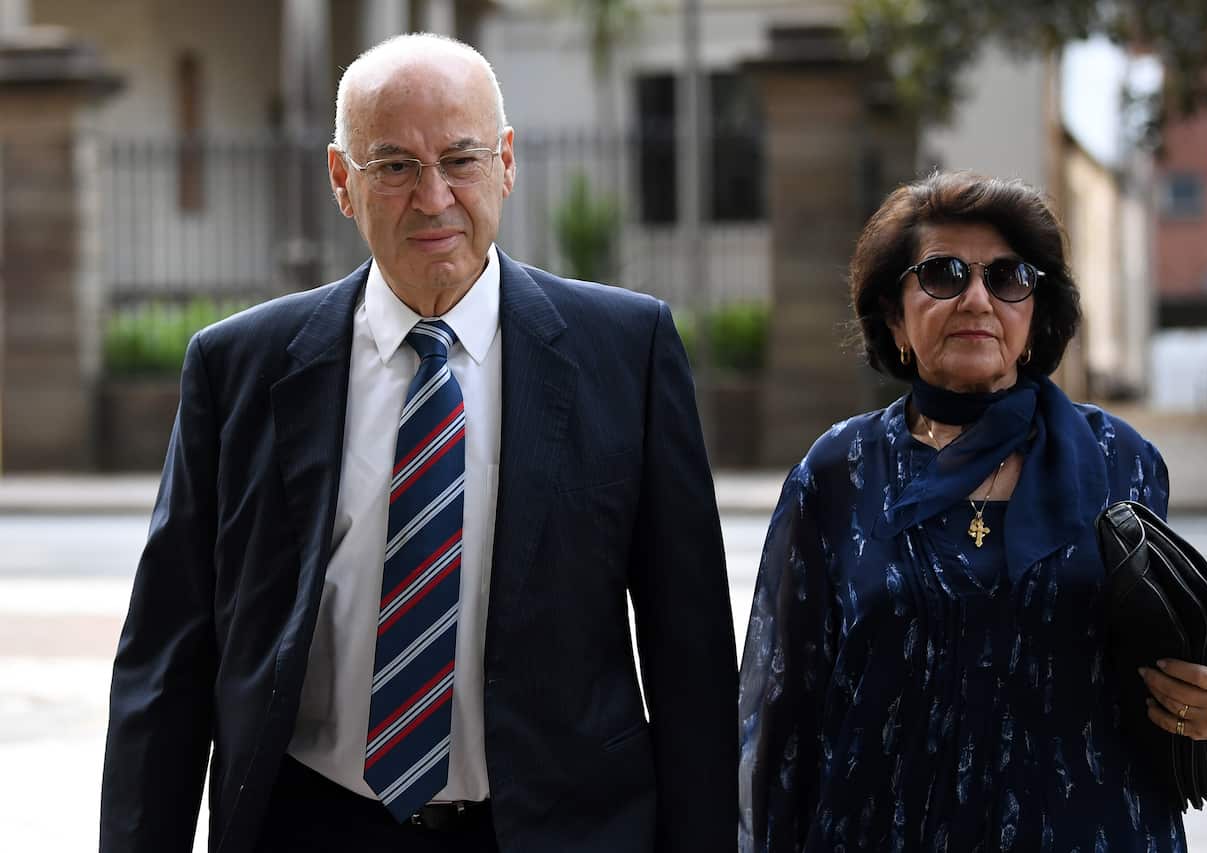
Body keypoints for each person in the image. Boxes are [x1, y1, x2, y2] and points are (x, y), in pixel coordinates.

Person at [101, 33, 737, 853]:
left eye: (461, 159)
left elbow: (691, 659)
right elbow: (167, 661)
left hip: (558, 828)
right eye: (394, 166)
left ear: (506, 162)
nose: (433, 197)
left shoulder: (628, 351)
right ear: (342, 181)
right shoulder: (239, 370)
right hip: (313, 825)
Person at [737, 171, 1207, 852]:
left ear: (1035, 316)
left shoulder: (1119, 459)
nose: (977, 299)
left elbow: (1194, 664)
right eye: (943, 274)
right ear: (895, 318)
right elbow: (785, 715)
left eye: (1009, 277)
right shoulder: (839, 471)